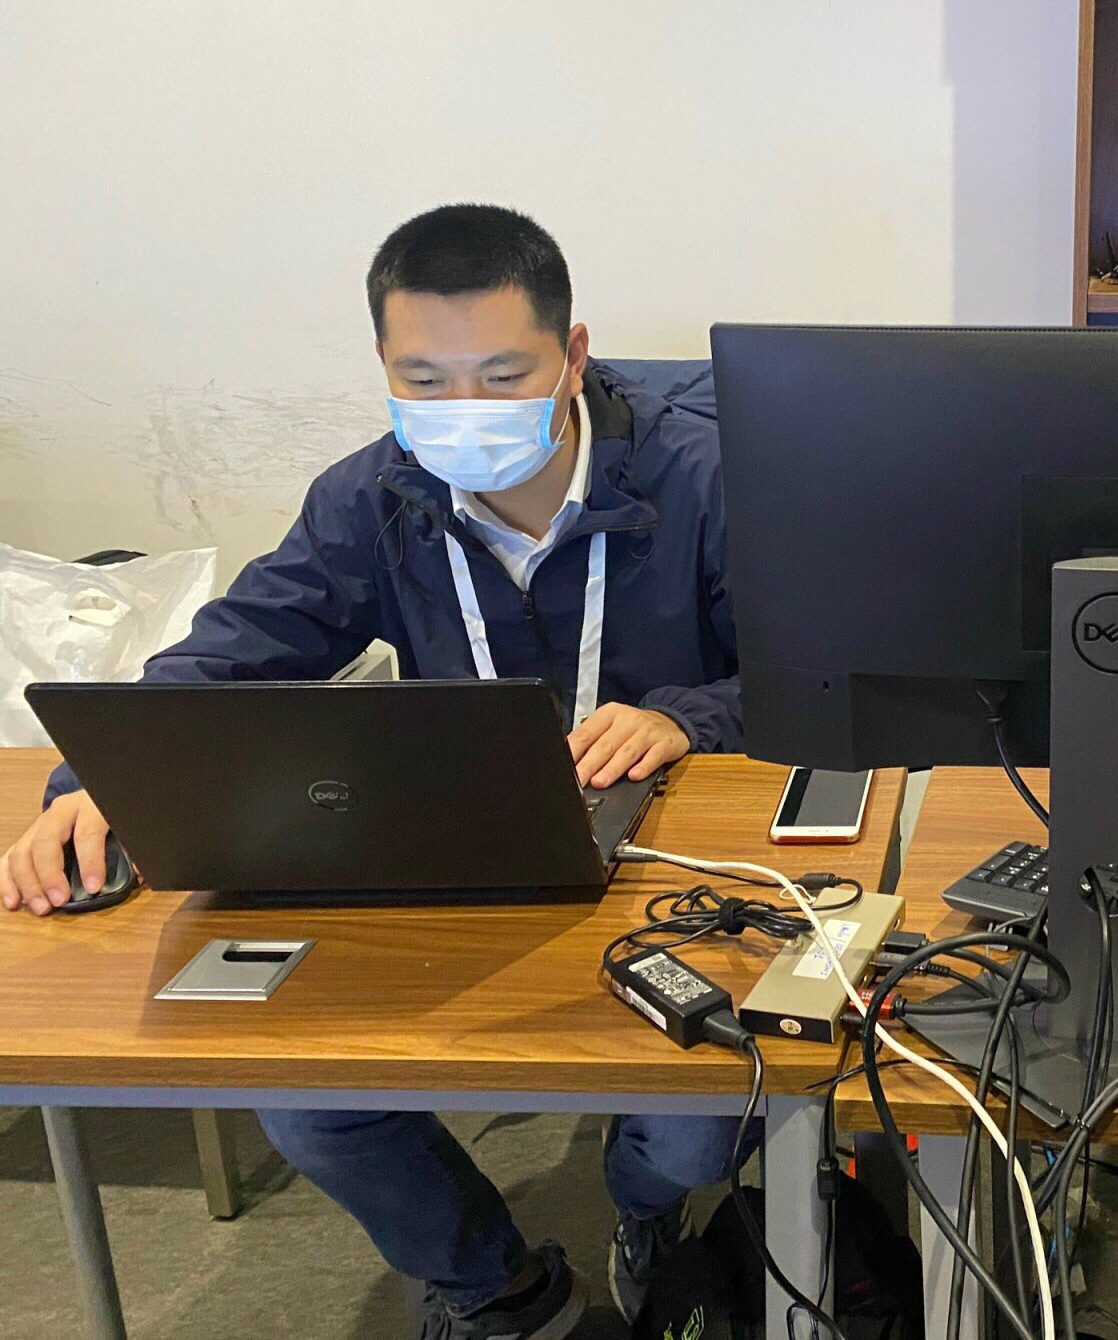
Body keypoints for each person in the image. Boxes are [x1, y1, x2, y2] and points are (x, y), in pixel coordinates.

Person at [1, 204, 745, 1339]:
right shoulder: (374, 495)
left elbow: (815, 672)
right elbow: (229, 653)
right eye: (425, 381)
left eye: (504, 375)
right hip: (454, 847)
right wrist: (100, 780)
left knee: (696, 1125)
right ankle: (497, 1289)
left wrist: (684, 716)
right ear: (385, 370)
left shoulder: (709, 477)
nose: (465, 410)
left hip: (667, 853)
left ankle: (650, 1218)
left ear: (573, 355)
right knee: (305, 1099)